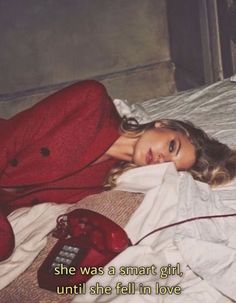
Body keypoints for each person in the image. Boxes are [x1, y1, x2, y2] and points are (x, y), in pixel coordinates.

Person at [0, 80, 235, 261]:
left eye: (169, 166)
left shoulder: (104, 183)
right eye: (172, 146)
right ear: (162, 124)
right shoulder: (91, 100)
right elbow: (9, 141)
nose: (162, 158)